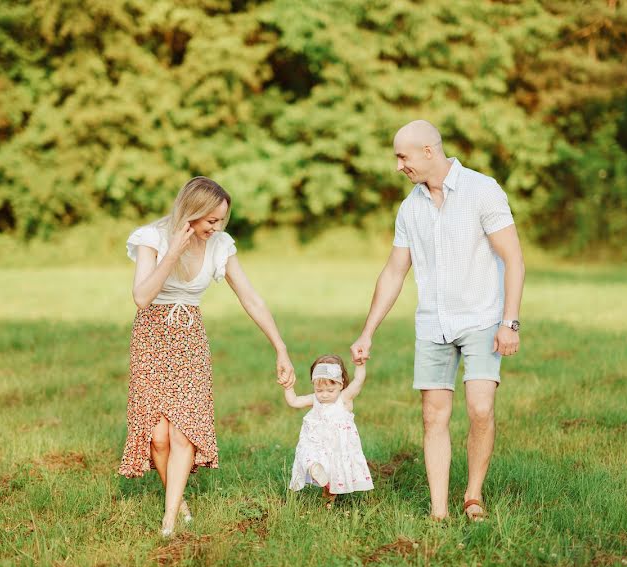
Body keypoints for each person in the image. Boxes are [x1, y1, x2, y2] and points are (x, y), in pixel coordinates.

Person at [350, 120, 525, 522]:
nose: (398, 166)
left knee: (480, 409)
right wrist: (368, 331)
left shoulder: (483, 190)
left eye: (402, 156)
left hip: (483, 317)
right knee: (433, 416)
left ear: (428, 151)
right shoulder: (410, 208)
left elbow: (513, 257)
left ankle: (473, 495)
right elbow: (394, 272)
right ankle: (439, 511)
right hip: (433, 324)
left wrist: (509, 322)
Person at [118, 176, 296, 537]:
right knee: (158, 437)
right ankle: (178, 499)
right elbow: (141, 297)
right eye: (210, 220)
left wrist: (280, 347)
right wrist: (173, 252)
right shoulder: (152, 238)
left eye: (221, 221)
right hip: (152, 337)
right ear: (190, 213)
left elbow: (251, 298)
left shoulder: (220, 246)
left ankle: (169, 518)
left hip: (190, 340)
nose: (217, 228)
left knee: (183, 431)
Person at [284, 354, 373, 506]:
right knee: (308, 457)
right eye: (319, 390)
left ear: (341, 384)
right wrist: (288, 387)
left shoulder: (344, 398)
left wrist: (360, 365)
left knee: (334, 474)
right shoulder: (315, 399)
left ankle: (328, 500)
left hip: (336, 447)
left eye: (330, 390)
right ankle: (314, 468)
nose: (324, 395)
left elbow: (358, 381)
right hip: (317, 443)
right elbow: (294, 401)